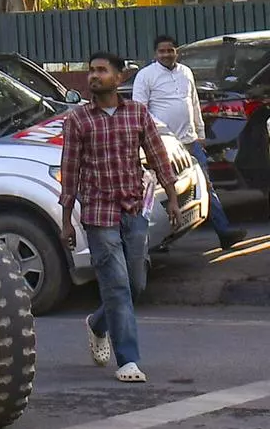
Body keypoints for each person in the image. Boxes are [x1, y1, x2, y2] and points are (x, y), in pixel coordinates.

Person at [60, 50, 181, 384]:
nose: (94, 76)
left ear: (119, 77)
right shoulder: (78, 120)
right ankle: (128, 360)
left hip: (133, 209)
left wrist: (172, 200)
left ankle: (98, 323)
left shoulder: (137, 115)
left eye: (102, 71)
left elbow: (158, 157)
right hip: (99, 213)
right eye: (91, 71)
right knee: (115, 284)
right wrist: (65, 220)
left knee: (135, 284)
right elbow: (69, 174)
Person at [133, 34, 245, 251]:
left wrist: (200, 134)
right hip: (162, 146)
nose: (166, 54)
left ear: (177, 51)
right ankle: (160, 240)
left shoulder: (186, 72)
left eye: (170, 50)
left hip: (190, 142)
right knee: (164, 193)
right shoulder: (145, 76)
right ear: (155, 54)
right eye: (162, 51)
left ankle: (224, 233)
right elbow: (140, 111)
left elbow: (193, 103)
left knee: (204, 185)